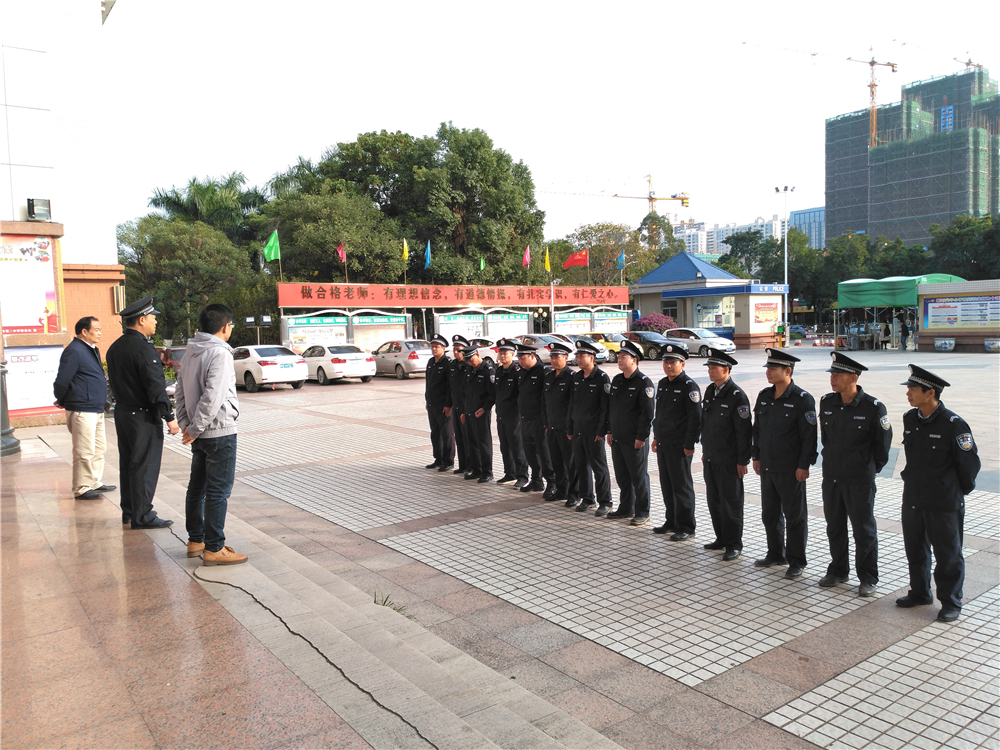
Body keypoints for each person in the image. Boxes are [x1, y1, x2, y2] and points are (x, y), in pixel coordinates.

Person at [897, 365, 980, 623]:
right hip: (914, 497)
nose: (908, 393)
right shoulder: (910, 419)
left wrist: (952, 490)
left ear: (930, 392)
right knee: (915, 550)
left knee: (948, 555)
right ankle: (920, 592)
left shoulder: (953, 424)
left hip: (943, 501)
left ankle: (951, 602)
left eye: (913, 389)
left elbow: (969, 465)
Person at [175, 304, 247, 566]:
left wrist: (187, 424)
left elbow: (180, 391)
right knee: (218, 491)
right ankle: (214, 547)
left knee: (197, 487)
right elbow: (213, 396)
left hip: (200, 432)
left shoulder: (191, 352)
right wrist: (194, 428)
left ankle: (196, 540)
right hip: (219, 431)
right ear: (226, 326)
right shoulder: (220, 353)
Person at [818, 351, 892, 596]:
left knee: (863, 529)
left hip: (859, 479)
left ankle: (868, 577)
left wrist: (868, 468)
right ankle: (838, 570)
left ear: (853, 377)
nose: (833, 378)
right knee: (835, 526)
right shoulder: (827, 402)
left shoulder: (873, 407)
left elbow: (882, 447)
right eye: (832, 374)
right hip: (832, 477)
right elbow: (827, 440)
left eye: (838, 374)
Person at [105, 296, 179, 529]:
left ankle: (130, 511)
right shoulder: (143, 349)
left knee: (129, 463)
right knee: (144, 466)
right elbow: (155, 387)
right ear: (141, 320)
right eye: (153, 317)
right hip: (142, 417)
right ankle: (143, 516)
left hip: (123, 413)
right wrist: (169, 417)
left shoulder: (115, 347)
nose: (155, 321)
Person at [751, 348, 817, 579]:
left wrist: (804, 465)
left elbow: (809, 437)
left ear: (788, 371)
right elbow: (757, 429)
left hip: (791, 469)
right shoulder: (764, 396)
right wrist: (756, 456)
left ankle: (796, 560)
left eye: (773, 368)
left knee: (795, 516)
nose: (768, 372)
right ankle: (775, 553)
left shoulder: (802, 399)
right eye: (768, 368)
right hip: (768, 466)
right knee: (770, 514)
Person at [53, 316, 116, 500]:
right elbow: (62, 380)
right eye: (97, 330)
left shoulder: (90, 349)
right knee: (84, 450)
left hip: (95, 407)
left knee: (99, 448)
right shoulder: (74, 350)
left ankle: (94, 481)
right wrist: (62, 399)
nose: (100, 333)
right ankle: (82, 487)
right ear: (84, 331)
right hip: (82, 408)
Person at [700, 348, 751, 561]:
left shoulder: (737, 396)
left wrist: (743, 460)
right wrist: (705, 451)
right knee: (715, 501)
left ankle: (734, 544)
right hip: (711, 457)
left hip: (730, 460)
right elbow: (706, 424)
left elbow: (744, 432)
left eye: (714, 368)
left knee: (731, 502)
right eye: (709, 367)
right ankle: (721, 538)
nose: (710, 371)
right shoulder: (710, 391)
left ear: (726, 370)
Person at [651, 345, 701, 536]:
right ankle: (671, 521)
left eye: (673, 363)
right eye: (666, 362)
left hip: (679, 445)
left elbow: (695, 418)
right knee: (667, 484)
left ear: (682, 364)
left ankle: (686, 526)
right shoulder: (663, 383)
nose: (669, 366)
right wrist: (656, 437)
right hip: (664, 442)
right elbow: (660, 414)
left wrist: (689, 444)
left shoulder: (689, 387)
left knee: (681, 486)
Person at [606, 340, 654, 524]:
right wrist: (610, 430)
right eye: (619, 357)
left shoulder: (644, 382)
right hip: (618, 437)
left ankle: (643, 511)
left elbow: (647, 413)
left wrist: (642, 436)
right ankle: (626, 507)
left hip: (635, 439)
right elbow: (612, 408)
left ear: (634, 360)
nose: (619, 360)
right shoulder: (617, 380)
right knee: (622, 475)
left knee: (638, 476)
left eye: (623, 357)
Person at [567, 339, 613, 516]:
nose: (578, 359)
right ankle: (587, 498)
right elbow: (572, 405)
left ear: (592, 357)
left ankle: (605, 501)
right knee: (581, 466)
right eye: (577, 356)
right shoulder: (577, 378)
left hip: (594, 432)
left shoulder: (602, 378)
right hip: (578, 430)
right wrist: (570, 428)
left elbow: (605, 408)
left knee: (599, 468)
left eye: (582, 356)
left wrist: (602, 430)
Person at [544, 342, 579, 505]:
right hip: (551, 426)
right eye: (552, 357)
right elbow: (545, 402)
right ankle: (561, 490)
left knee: (570, 462)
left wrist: (571, 427)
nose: (553, 360)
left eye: (557, 357)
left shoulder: (572, 377)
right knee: (556, 461)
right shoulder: (549, 377)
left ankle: (574, 494)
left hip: (566, 428)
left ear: (565, 358)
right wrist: (546, 423)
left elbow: (573, 405)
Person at [516, 343, 553, 494]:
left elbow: (547, 399)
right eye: (519, 359)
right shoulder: (521, 372)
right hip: (525, 419)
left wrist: (546, 421)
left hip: (539, 420)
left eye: (523, 358)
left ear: (532, 356)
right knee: (530, 452)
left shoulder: (544, 372)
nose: (520, 361)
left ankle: (552, 482)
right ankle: (536, 481)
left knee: (544, 454)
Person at [494, 338, 528, 489]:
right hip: (501, 415)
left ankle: (522, 476)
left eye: (506, 353)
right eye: (500, 353)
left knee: (517, 446)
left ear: (512, 354)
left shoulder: (517, 372)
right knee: (505, 446)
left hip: (514, 416)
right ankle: (510, 473)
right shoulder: (499, 371)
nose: (502, 356)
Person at [462, 344, 495, 482]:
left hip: (481, 413)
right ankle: (476, 469)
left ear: (477, 355)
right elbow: (465, 392)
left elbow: (492, 394)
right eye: (467, 360)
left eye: (471, 359)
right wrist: (464, 411)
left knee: (483, 442)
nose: (470, 362)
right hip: (469, 412)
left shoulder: (488, 371)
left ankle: (487, 471)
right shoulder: (469, 370)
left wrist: (485, 408)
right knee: (471, 442)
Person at [424, 334, 455, 472]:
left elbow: (450, 386)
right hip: (432, 404)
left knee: (446, 434)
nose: (434, 349)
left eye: (437, 347)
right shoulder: (431, 362)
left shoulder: (448, 363)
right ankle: (438, 458)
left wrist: (448, 405)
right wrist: (427, 400)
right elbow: (428, 383)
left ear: (443, 348)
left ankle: (448, 461)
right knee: (435, 433)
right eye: (432, 346)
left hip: (443, 405)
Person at [447, 335, 470, 475]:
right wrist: (448, 404)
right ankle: (463, 465)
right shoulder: (453, 366)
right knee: (459, 437)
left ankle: (472, 466)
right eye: (454, 350)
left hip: (466, 408)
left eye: (459, 350)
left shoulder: (469, 366)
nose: (456, 353)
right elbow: (450, 387)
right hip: (455, 406)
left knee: (468, 438)